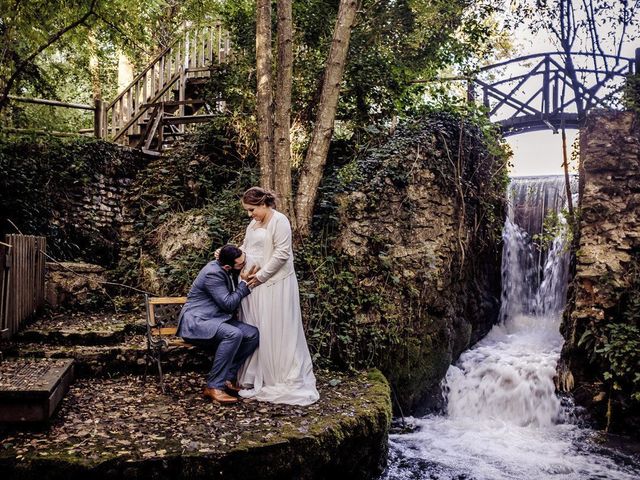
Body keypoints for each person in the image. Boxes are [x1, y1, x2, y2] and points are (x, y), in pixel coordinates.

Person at [237, 186, 320, 406]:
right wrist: (234, 256)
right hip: (252, 285)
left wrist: (261, 276)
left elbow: (282, 253)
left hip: (275, 283)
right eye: (248, 210)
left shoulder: (280, 221)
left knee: (276, 328)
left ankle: (280, 376)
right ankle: (255, 375)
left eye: (252, 209)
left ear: (264, 204)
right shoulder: (253, 224)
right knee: (256, 327)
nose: (250, 214)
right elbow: (246, 248)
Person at [177, 244, 259, 405]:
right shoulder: (212, 274)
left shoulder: (225, 266)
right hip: (197, 321)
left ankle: (228, 378)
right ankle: (214, 386)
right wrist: (243, 284)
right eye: (241, 264)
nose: (244, 265)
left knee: (252, 334)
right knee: (233, 334)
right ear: (228, 266)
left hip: (215, 319)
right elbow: (228, 304)